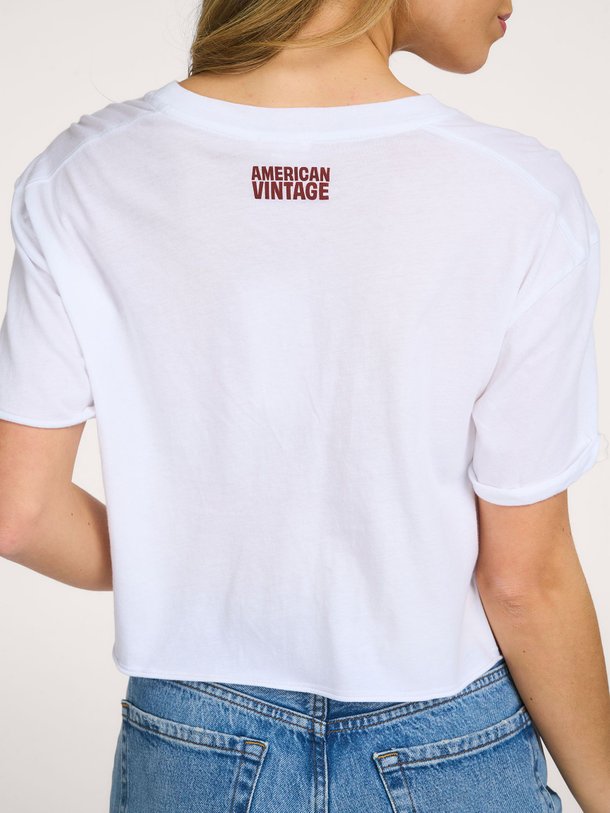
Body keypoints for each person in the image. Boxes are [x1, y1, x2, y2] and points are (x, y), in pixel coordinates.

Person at [1, 0, 609, 810]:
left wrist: (187, 559)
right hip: (445, 743)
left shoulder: (81, 174)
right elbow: (524, 579)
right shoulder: (522, 194)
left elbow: (21, 512)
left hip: (194, 742)